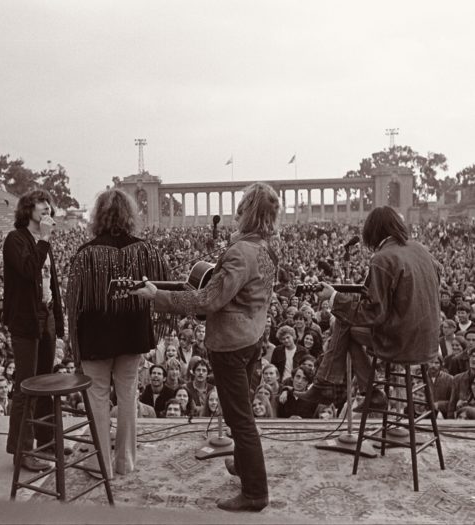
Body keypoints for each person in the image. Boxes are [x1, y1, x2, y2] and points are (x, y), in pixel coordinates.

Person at [131, 181, 279, 512]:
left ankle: (255, 493)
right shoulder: (269, 247)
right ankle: (242, 466)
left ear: (247, 211)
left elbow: (209, 299)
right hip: (254, 337)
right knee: (237, 409)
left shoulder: (241, 252)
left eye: (242, 204)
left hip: (230, 343)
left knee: (241, 419)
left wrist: (159, 297)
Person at [66, 188, 169, 479]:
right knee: (127, 398)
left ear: (98, 216)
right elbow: (160, 290)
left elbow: (74, 305)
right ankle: (125, 462)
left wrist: (75, 343)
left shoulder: (86, 254)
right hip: (132, 338)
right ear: (130, 216)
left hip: (96, 340)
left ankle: (103, 465)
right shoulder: (145, 249)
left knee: (98, 400)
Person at [300, 206, 442, 412]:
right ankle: (336, 386)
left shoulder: (383, 258)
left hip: (402, 342)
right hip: (428, 339)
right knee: (346, 320)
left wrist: (333, 297)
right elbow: (434, 275)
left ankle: (350, 387)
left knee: (344, 323)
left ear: (373, 231)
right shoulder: (421, 249)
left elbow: (373, 314)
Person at [4, 189, 64, 472]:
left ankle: (48, 439)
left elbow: (51, 283)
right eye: (43, 211)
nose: (47, 216)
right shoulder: (15, 240)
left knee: (46, 383)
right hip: (26, 321)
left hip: (47, 315)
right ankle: (22, 450)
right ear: (28, 211)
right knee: (26, 386)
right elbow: (29, 271)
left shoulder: (43, 242)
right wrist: (44, 239)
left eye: (49, 212)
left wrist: (59, 323)